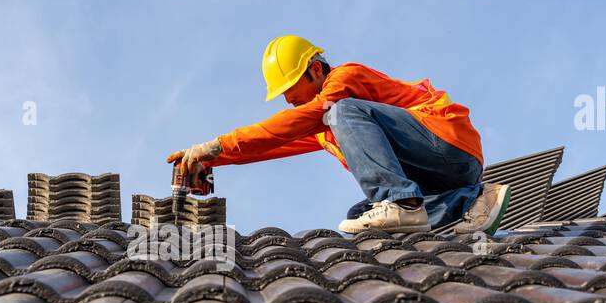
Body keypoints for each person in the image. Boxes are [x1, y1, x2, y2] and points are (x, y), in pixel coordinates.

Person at [166, 35, 510, 235]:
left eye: (290, 88)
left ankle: (402, 201)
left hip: (449, 143)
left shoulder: (344, 82)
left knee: (341, 112)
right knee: (360, 219)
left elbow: (309, 116)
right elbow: (275, 140)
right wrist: (212, 157)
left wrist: (216, 144)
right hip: (442, 174)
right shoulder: (324, 123)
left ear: (315, 70)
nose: (287, 99)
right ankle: (471, 202)